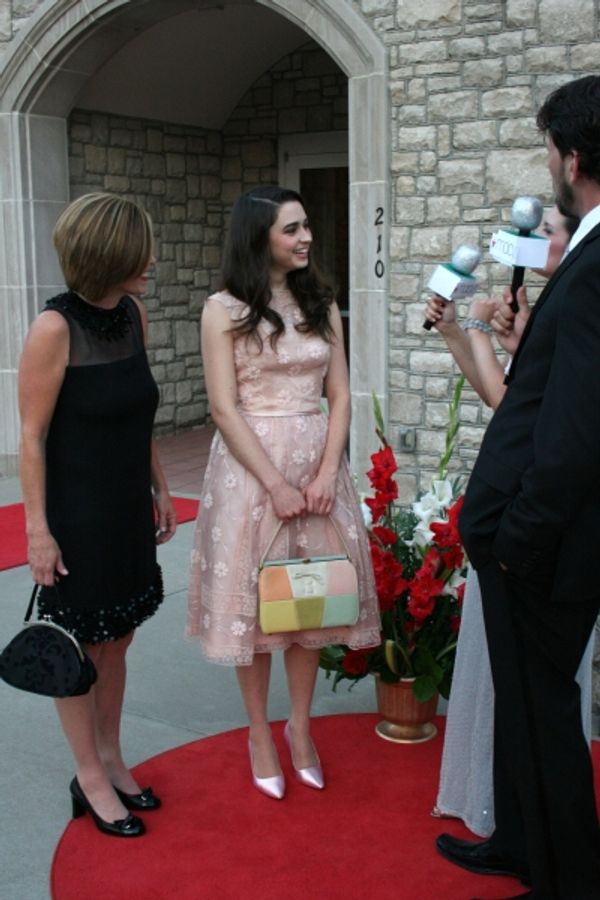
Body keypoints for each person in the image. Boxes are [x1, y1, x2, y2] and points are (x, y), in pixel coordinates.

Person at [435, 75, 600, 899]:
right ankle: (519, 842)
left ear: (572, 158)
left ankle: (566, 875)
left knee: (545, 714)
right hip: (526, 541)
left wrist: (520, 537)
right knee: (522, 706)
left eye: (547, 149)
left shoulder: (598, 265)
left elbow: (576, 433)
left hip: (544, 548)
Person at [187, 186, 380, 799]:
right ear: (258, 237)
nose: (306, 238)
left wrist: (326, 473)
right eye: (291, 229)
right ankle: (258, 732)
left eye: (305, 227)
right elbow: (222, 406)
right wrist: (273, 483)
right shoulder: (222, 309)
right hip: (251, 474)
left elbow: (343, 395)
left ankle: (299, 727)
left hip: (319, 469)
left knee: (312, 600)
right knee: (258, 609)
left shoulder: (321, 302)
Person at [424, 208, 593, 839]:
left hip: (532, 523)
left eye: (548, 229)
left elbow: (506, 398)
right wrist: (458, 332)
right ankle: (501, 816)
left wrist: (472, 325)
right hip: (511, 499)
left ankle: (524, 829)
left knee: (526, 691)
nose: (536, 240)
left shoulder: (572, 306)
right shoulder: (544, 307)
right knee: (495, 676)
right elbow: (501, 393)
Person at [19, 193, 176, 838]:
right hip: (77, 515)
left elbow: (139, 416)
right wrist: (37, 530)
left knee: (120, 638)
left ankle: (112, 756)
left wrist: (161, 488)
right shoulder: (54, 329)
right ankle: (87, 774)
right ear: (108, 254)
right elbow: (30, 436)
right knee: (82, 647)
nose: (153, 262)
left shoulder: (132, 315)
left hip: (126, 509)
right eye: (141, 252)